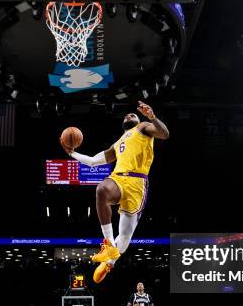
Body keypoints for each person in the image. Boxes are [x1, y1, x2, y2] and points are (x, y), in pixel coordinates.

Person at [60, 101, 169, 283]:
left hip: (137, 182)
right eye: (126, 115)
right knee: (101, 189)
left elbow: (164, 134)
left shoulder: (143, 127)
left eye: (132, 115)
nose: (129, 115)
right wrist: (72, 153)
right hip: (118, 179)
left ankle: (110, 261)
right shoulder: (119, 142)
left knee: (125, 236)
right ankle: (109, 246)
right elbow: (94, 161)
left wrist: (152, 117)